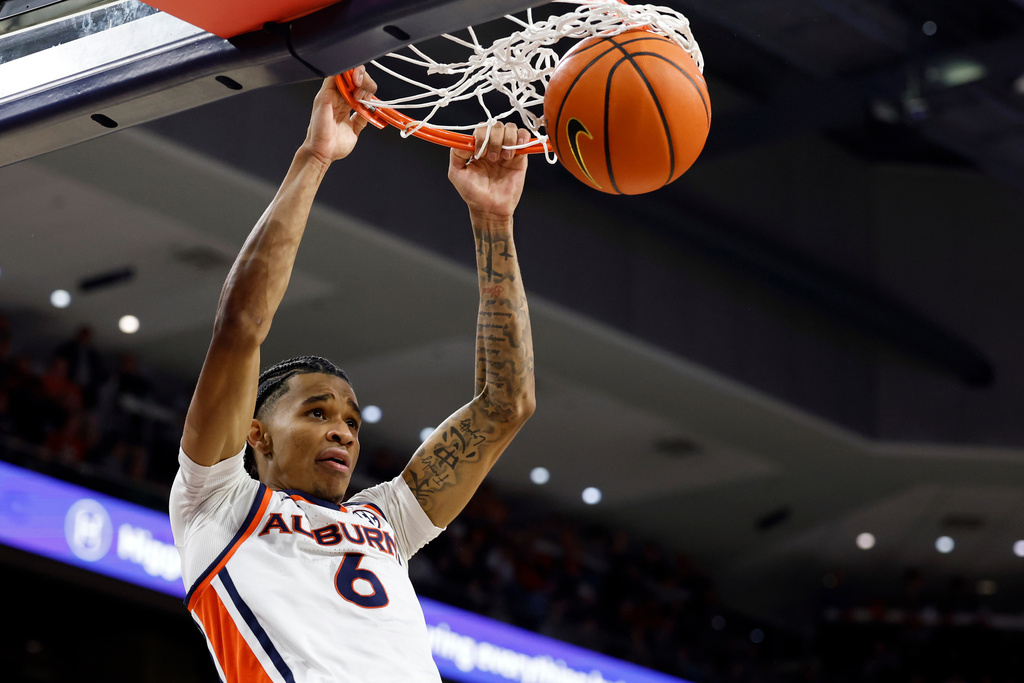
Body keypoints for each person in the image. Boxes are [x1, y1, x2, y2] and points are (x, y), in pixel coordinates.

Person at [169, 68, 535, 683]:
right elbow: (241, 327)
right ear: (256, 434)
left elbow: (505, 405)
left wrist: (493, 220)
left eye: (350, 421)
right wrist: (315, 156)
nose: (343, 431)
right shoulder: (216, 503)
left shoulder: (381, 519)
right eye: (317, 412)